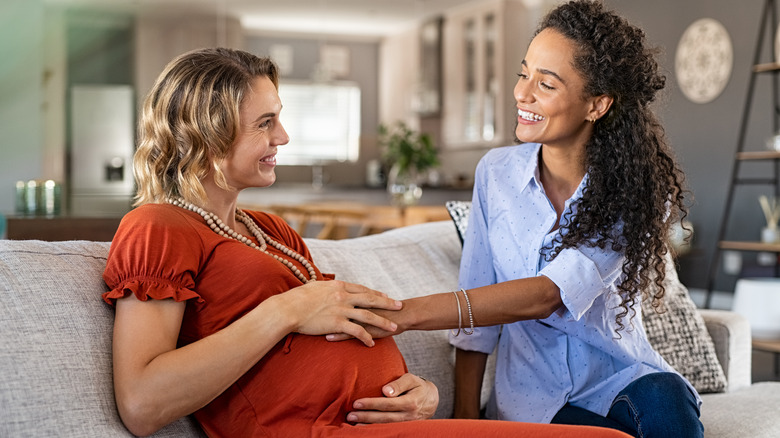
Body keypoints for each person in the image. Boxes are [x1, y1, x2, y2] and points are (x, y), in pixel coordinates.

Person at [102, 47, 629, 438]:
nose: (283, 137)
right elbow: (143, 403)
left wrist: (424, 394)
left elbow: (340, 334)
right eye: (266, 123)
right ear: (207, 133)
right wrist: (285, 310)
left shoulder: (269, 230)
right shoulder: (158, 226)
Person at [350, 1, 703, 437]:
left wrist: (406, 312)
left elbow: (548, 295)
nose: (522, 93)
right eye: (524, 74)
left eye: (547, 84)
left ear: (597, 104)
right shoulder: (495, 174)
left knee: (668, 405)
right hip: (534, 400)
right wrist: (465, 419)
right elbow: (476, 304)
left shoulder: (638, 193)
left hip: (622, 380)